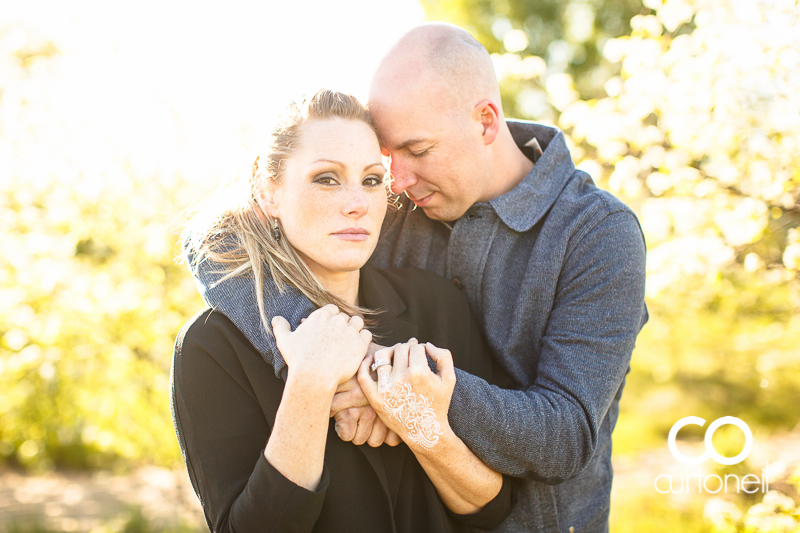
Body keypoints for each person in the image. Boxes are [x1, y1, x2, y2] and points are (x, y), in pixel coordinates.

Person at [189, 23, 649, 532]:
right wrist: (334, 355)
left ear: (486, 122)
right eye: (387, 161)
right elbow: (211, 240)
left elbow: (564, 436)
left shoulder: (597, 234)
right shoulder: (391, 205)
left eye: (417, 150)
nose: (396, 183)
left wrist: (395, 387)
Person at [170, 89, 515, 533]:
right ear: (269, 191)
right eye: (326, 178)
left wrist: (413, 422)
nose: (357, 202)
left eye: (372, 180)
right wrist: (310, 388)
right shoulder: (210, 347)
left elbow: (491, 506)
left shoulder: (436, 304)